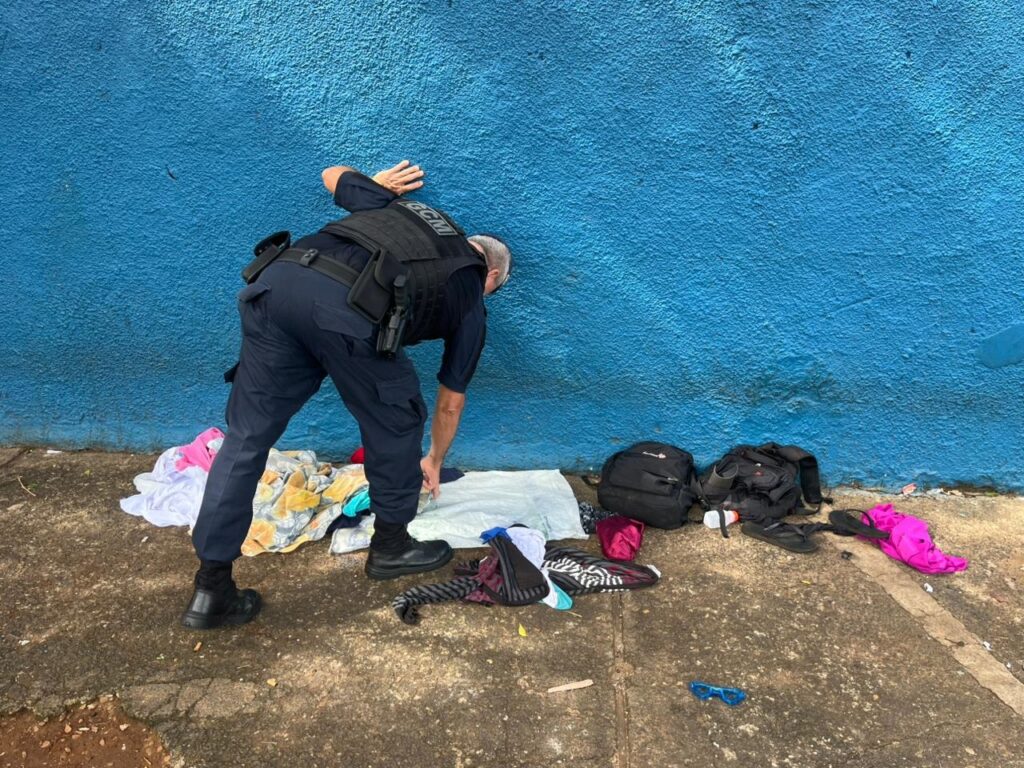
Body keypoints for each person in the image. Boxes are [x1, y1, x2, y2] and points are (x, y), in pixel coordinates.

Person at [181, 160, 512, 630]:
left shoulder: (402, 212)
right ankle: (391, 547)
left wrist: (377, 184)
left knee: (246, 437)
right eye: (493, 289)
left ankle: (211, 588)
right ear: (490, 273)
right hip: (346, 310)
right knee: (397, 419)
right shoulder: (471, 293)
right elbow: (450, 400)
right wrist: (435, 460)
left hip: (275, 284)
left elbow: (331, 173)